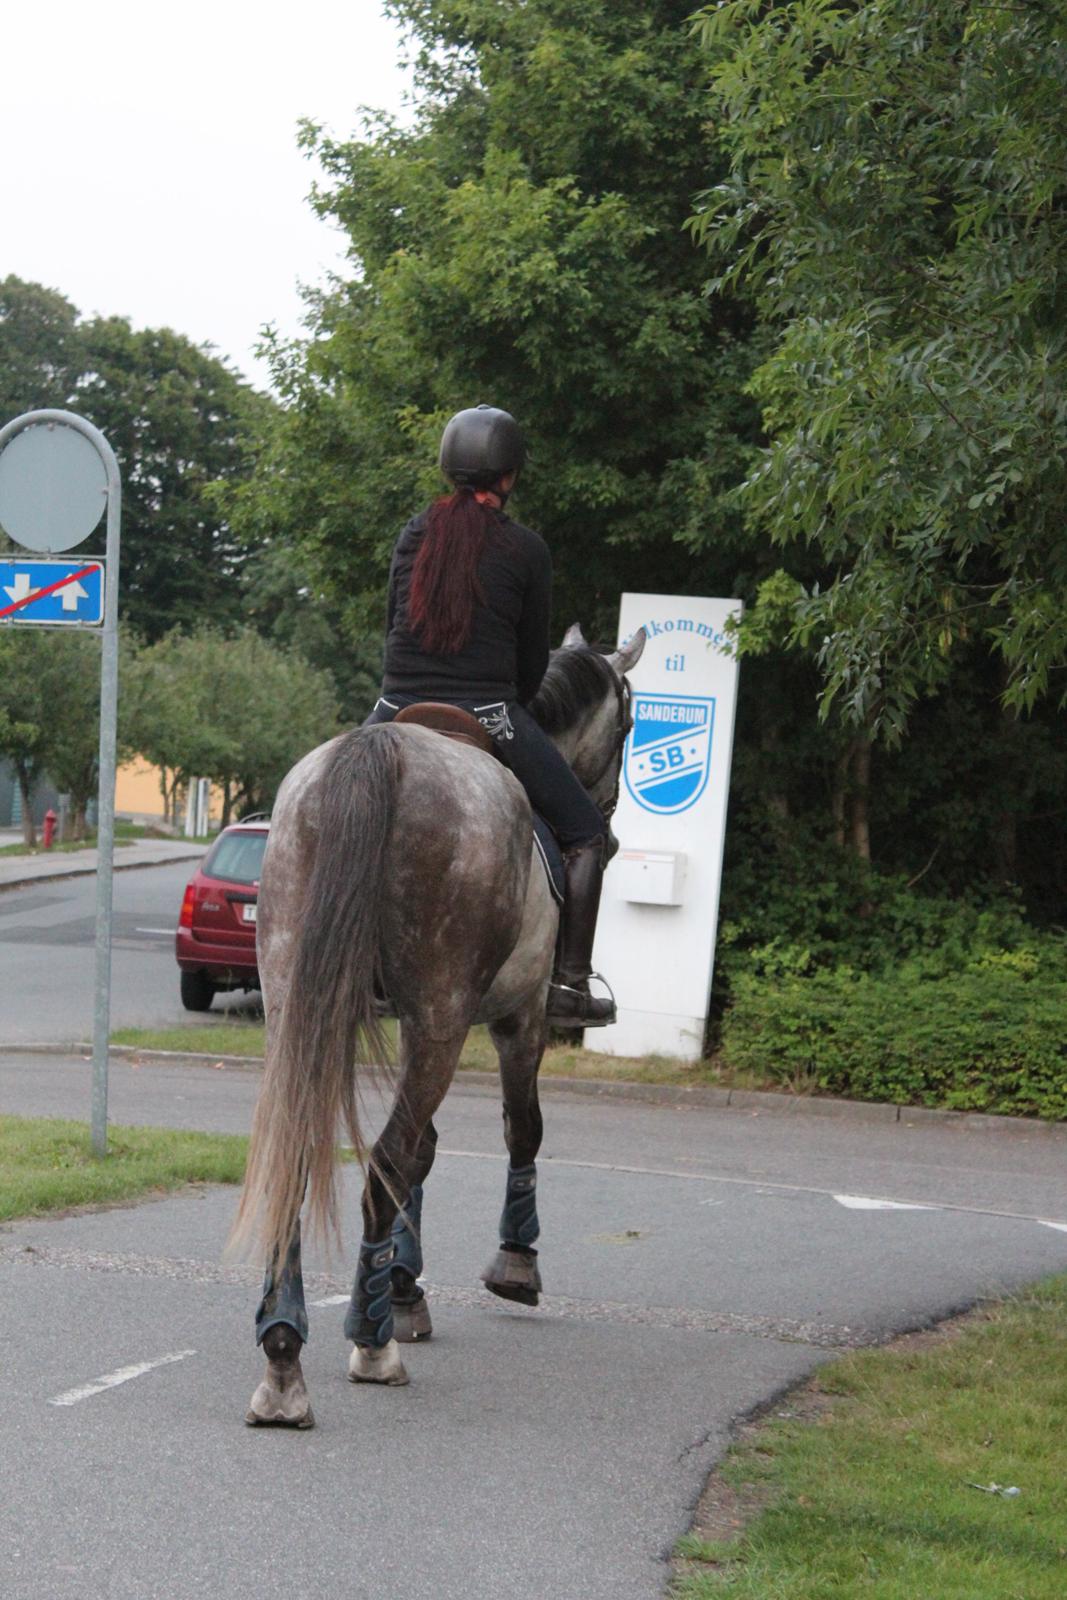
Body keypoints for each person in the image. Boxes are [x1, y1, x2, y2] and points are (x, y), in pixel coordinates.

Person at [365, 402, 616, 1027]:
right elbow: (533, 661)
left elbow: (392, 625)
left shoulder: (413, 533)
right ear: (509, 475)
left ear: (450, 468)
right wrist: (514, 706)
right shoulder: (526, 549)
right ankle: (570, 984)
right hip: (489, 709)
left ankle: (353, 961)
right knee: (586, 834)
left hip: (395, 702)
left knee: (340, 801)